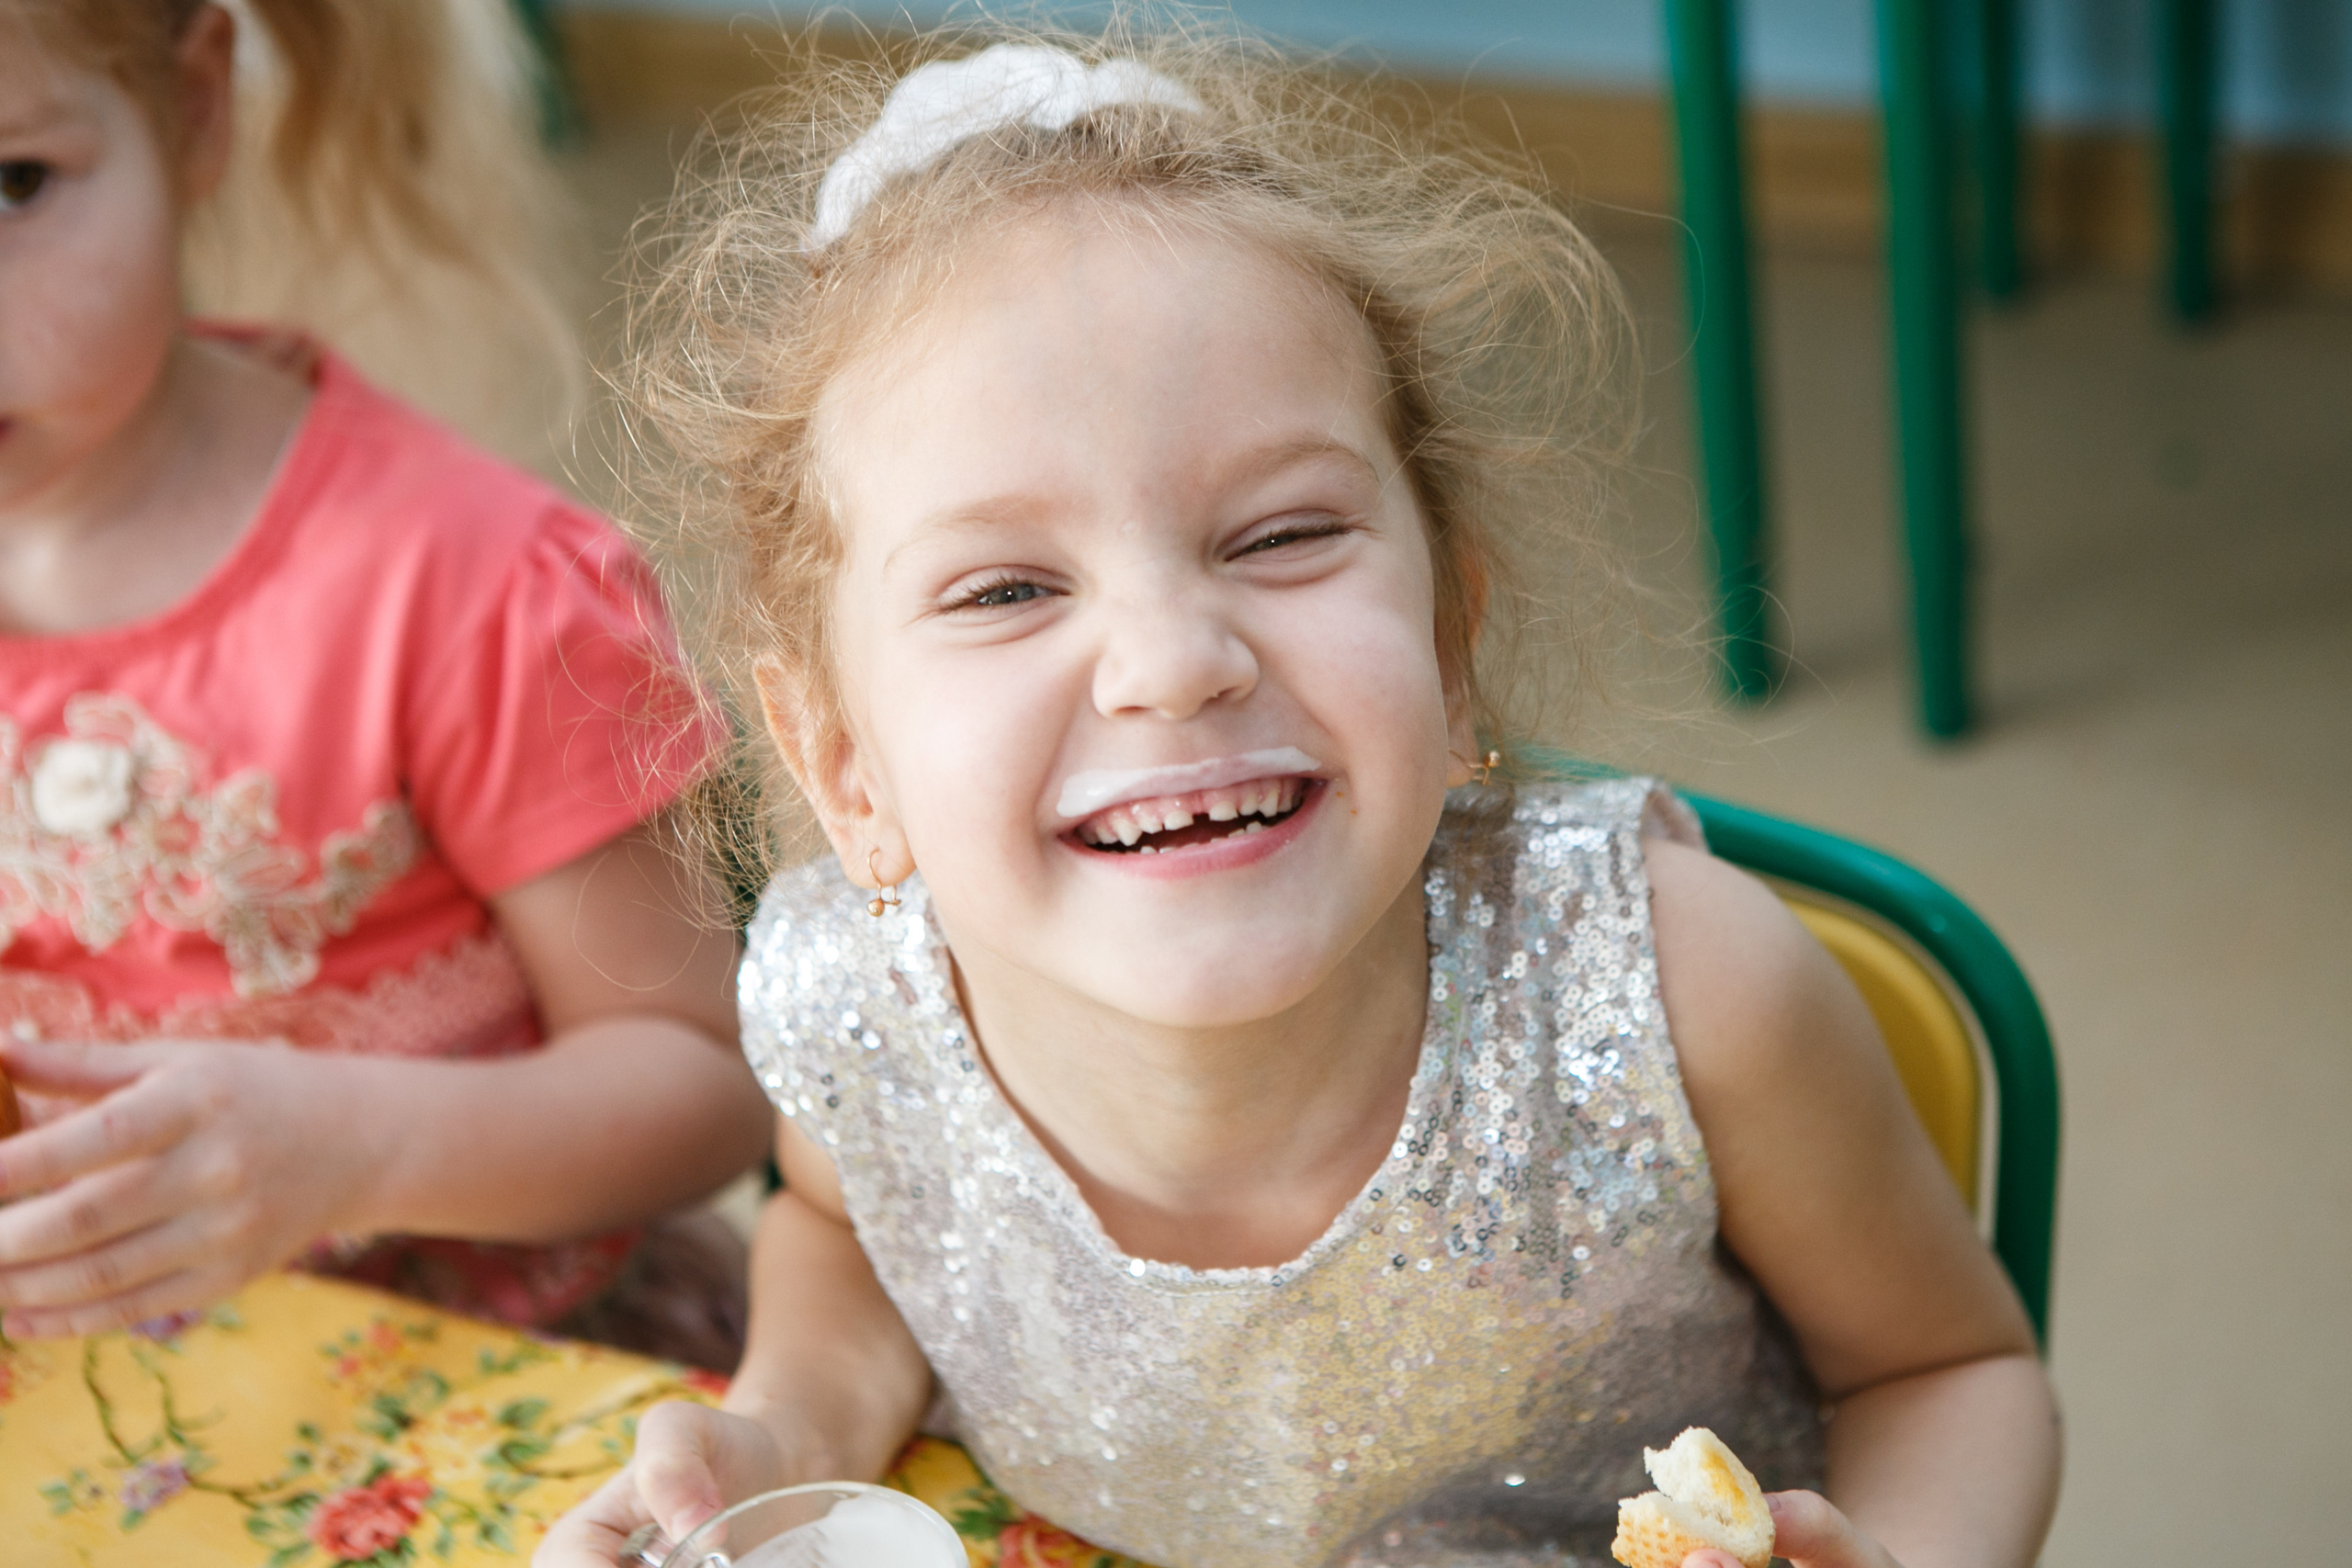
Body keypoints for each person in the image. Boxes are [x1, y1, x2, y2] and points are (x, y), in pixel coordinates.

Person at [542, 25, 2063, 1568]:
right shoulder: (855, 1002)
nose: (1171, 662)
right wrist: (786, 1429)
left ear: (1450, 639)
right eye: (1005, 587)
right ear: (843, 766)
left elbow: (1954, 1372)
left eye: (1279, 536)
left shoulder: (1685, 992)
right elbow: (845, 1234)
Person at [0, 0, 773, 1368]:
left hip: (491, 1369)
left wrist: (351, 1149)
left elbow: (707, 1087)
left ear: (194, 110)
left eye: (15, 185)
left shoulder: (479, 591)